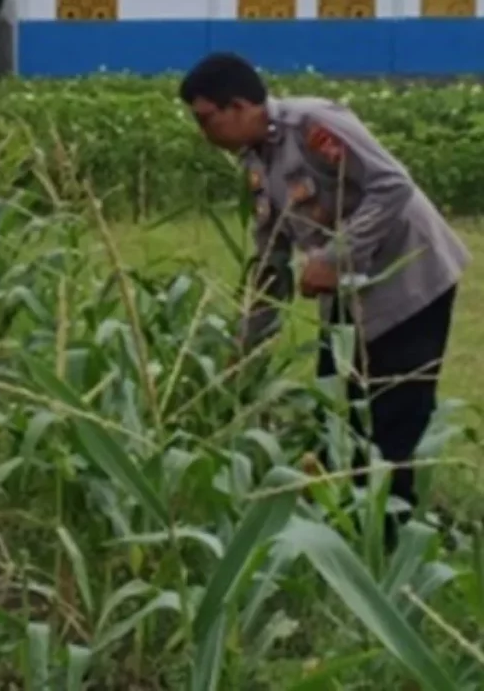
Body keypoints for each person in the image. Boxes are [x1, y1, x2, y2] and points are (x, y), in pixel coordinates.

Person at [178, 52, 468, 516]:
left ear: (238, 106)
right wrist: (246, 346)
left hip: (410, 279)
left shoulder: (313, 123)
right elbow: (271, 257)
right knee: (338, 410)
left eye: (206, 119)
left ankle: (395, 534)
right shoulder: (257, 163)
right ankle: (349, 521)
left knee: (395, 413)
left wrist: (334, 256)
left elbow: (393, 185)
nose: (203, 134)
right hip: (346, 296)